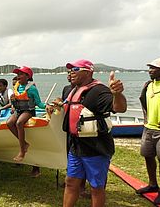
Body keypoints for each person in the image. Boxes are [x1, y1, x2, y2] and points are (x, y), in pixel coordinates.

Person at [54, 59, 127, 207]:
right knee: (71, 183)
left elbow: (119, 108)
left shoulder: (98, 91)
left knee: (96, 187)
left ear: (88, 72)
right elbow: (69, 106)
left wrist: (117, 94)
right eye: (70, 70)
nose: (71, 73)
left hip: (96, 148)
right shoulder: (72, 90)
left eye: (75, 69)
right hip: (76, 146)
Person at [136, 57, 160, 204]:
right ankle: (153, 184)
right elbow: (143, 101)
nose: (150, 70)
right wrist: (146, 117)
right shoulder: (148, 85)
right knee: (147, 155)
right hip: (148, 128)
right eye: (149, 68)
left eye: (153, 68)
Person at [7, 66, 46, 162]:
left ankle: (22, 151)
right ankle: (24, 143)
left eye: (21, 74)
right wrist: (13, 101)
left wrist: (47, 106)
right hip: (19, 110)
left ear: (28, 77)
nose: (18, 76)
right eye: (17, 74)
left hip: (29, 110)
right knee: (9, 122)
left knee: (19, 123)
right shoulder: (17, 87)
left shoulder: (32, 89)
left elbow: (39, 103)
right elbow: (14, 102)